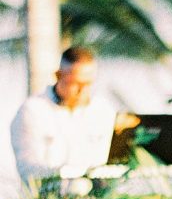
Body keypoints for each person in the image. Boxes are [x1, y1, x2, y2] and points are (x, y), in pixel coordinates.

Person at [10, 46, 115, 184]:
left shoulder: (102, 110)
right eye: (76, 83)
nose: (83, 91)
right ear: (58, 76)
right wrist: (72, 173)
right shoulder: (33, 111)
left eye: (88, 84)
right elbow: (28, 170)